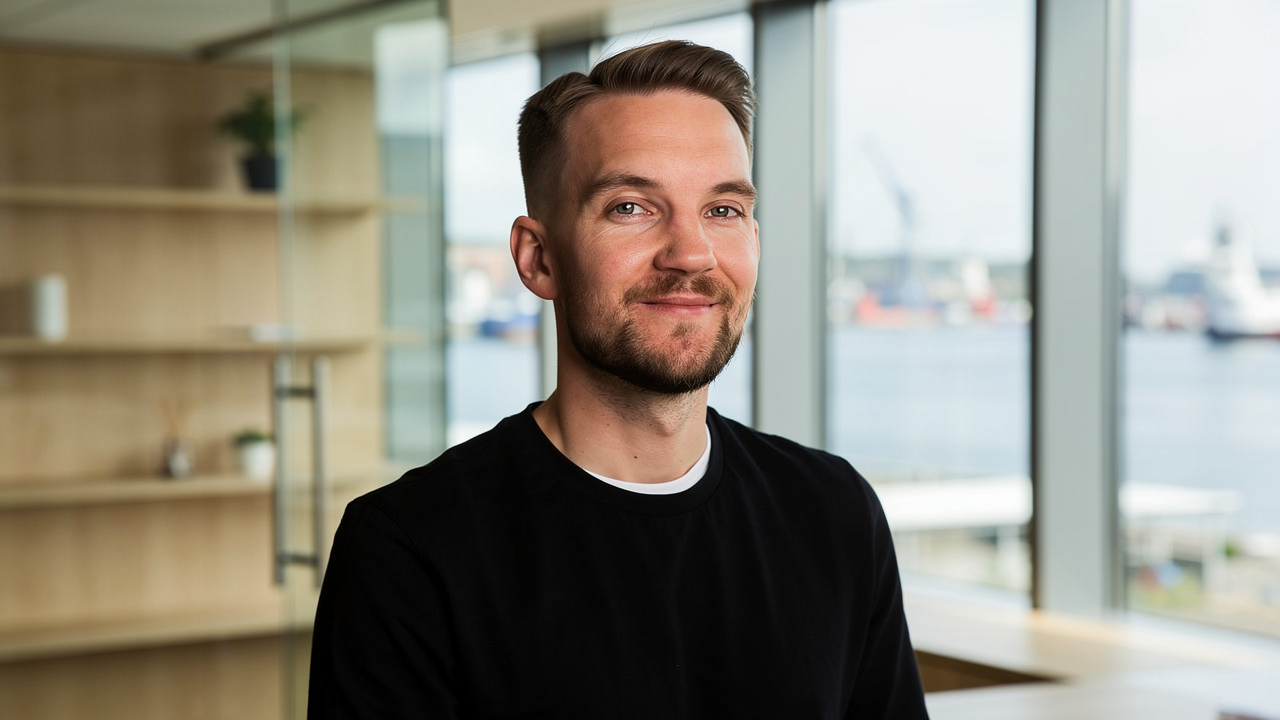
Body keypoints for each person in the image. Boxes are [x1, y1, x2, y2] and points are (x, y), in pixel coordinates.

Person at [308, 40, 929, 719]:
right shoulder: (409, 550)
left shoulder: (834, 514)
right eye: (631, 207)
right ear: (539, 259)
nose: (691, 253)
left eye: (722, 210)